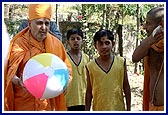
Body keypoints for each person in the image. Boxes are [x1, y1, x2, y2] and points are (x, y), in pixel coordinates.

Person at [4, 4, 72, 111]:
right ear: (29, 23)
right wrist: (19, 81)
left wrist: (63, 83)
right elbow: (9, 73)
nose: (44, 28)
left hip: (48, 104)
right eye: (39, 23)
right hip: (24, 103)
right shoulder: (19, 44)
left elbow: (67, 71)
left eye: (47, 23)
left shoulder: (56, 44)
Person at [85, 29, 131, 111]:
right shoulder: (90, 66)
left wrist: (129, 109)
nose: (104, 47)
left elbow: (126, 86)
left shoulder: (121, 62)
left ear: (112, 44)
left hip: (118, 108)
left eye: (107, 43)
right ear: (95, 46)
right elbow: (89, 91)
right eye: (100, 44)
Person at [132, 7, 164, 111]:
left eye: (148, 23)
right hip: (153, 106)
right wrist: (149, 41)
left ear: (161, 25)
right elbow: (135, 57)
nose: (145, 27)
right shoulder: (150, 45)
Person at [65, 28, 89, 111]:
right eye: (72, 39)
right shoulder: (64, 58)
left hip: (84, 99)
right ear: (68, 41)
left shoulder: (86, 58)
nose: (76, 41)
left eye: (78, 38)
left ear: (82, 40)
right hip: (68, 99)